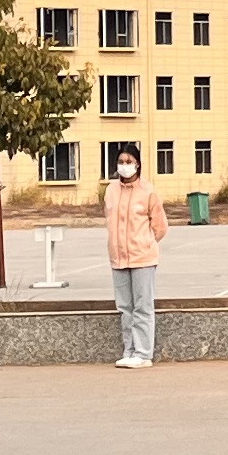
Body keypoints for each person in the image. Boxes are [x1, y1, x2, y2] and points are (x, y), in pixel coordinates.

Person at [102, 148, 170, 368]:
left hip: (143, 258)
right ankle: (129, 350)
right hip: (118, 257)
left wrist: (145, 243)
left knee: (142, 307)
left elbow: (160, 226)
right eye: (121, 161)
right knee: (125, 308)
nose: (124, 165)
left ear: (138, 164)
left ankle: (143, 353)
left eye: (129, 161)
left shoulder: (148, 191)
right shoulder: (111, 190)